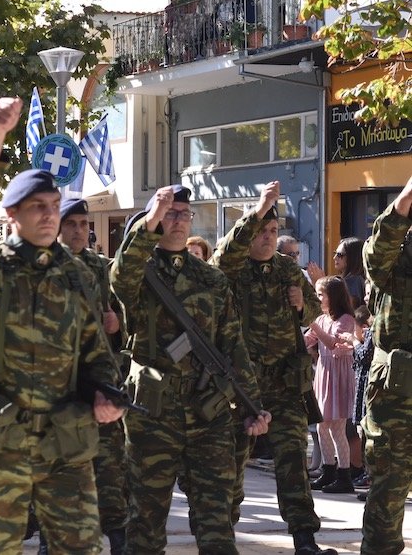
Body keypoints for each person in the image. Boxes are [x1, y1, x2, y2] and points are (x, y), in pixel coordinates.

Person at [0, 98, 120, 554]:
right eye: (36, 206)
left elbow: (95, 351)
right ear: (12, 215)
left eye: (53, 205)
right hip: (0, 440)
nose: (49, 214)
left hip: (65, 440)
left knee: (81, 546)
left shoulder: (77, 274)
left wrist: (107, 392)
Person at [111, 184, 270, 554]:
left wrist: (252, 406)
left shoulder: (211, 280)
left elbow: (233, 346)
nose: (179, 220)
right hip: (153, 415)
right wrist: (150, 218)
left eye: (184, 214)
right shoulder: (140, 274)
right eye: (170, 213)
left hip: (207, 414)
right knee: (146, 522)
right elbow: (121, 276)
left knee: (217, 520)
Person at [209, 181, 334, 555]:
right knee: (233, 462)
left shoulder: (287, 269)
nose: (267, 237)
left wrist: (302, 306)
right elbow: (223, 255)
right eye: (261, 231)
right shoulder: (232, 268)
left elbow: (316, 309)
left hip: (284, 385)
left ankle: (304, 538)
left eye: (273, 230)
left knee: (293, 459)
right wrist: (258, 210)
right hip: (241, 387)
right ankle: (222, 535)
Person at [58, 197, 128, 554]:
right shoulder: (48, 266)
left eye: (84, 224)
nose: (78, 231)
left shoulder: (100, 266)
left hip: (98, 373)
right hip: (58, 380)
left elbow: (117, 313)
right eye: (71, 224)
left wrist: (117, 324)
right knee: (56, 466)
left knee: (109, 462)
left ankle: (117, 533)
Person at [359, 174, 412, 554]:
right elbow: (375, 257)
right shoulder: (395, 251)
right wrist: (406, 196)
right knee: (389, 488)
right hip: (396, 391)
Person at [305, 276, 358, 494]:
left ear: (333, 297)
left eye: (320, 295)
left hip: (339, 376)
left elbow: (332, 343)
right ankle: (328, 471)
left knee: (337, 428)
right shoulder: (322, 318)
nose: (317, 299)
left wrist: (313, 326)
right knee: (321, 425)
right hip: (325, 375)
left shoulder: (345, 319)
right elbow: (308, 341)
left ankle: (344, 475)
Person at [351, 304, 374, 490]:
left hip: (369, 386)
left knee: (366, 431)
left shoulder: (373, 331)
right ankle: (367, 473)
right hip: (362, 385)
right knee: (361, 430)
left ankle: (370, 475)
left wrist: (355, 342)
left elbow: (365, 355)